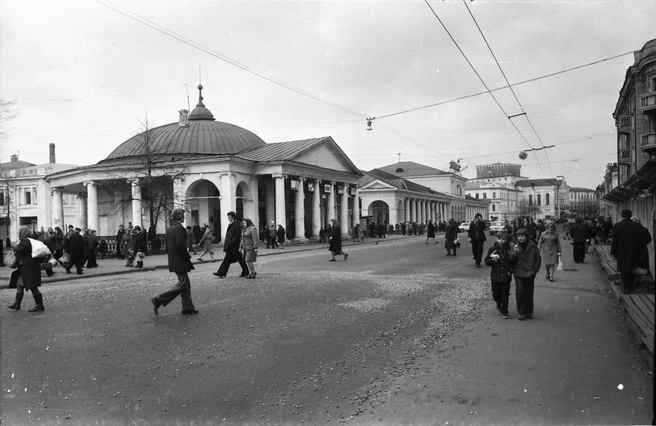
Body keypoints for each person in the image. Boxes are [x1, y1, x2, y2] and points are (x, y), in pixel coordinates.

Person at [151, 208, 198, 315]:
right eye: (183, 215)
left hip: (174, 259)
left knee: (186, 283)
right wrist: (187, 256)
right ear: (180, 217)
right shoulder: (179, 229)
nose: (183, 217)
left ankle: (188, 307)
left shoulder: (170, 228)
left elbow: (168, 245)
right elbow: (180, 246)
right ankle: (158, 299)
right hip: (180, 260)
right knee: (183, 284)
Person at [611, 209, 650, 294]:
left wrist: (613, 252)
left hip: (621, 251)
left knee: (623, 269)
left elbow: (615, 241)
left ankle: (626, 288)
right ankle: (630, 286)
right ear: (630, 215)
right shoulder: (637, 226)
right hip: (634, 250)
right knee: (632, 268)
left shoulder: (617, 226)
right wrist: (641, 252)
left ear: (622, 215)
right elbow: (642, 240)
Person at [7, 226, 45, 312]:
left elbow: (21, 250)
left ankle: (38, 305)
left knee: (30, 286)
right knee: (22, 284)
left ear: (23, 232)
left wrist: (15, 247)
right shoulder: (29, 240)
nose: (17, 233)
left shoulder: (25, 241)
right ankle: (18, 303)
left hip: (28, 267)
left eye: (19, 231)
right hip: (29, 267)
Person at [509, 228, 541, 321]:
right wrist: (514, 254)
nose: (520, 238)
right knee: (520, 291)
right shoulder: (514, 246)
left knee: (529, 292)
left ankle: (528, 312)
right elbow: (510, 260)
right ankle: (521, 312)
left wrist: (535, 270)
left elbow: (538, 258)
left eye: (522, 236)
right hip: (519, 272)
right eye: (518, 236)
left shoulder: (532, 246)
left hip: (530, 272)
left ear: (526, 236)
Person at [484, 231, 513, 319]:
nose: (501, 241)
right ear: (497, 239)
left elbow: (512, 261)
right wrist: (492, 261)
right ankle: (498, 302)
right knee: (496, 293)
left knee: (505, 294)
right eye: (499, 239)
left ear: (506, 239)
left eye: (503, 239)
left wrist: (510, 271)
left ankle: (505, 311)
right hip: (495, 276)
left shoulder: (509, 250)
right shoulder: (492, 249)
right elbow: (487, 261)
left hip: (505, 276)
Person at [214, 211, 250, 278]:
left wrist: (231, 242)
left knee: (228, 260)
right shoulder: (231, 224)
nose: (228, 218)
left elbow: (237, 235)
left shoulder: (235, 225)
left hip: (233, 246)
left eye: (229, 217)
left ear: (233, 217)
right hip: (231, 245)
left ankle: (221, 272)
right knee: (237, 259)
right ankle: (245, 271)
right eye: (228, 216)